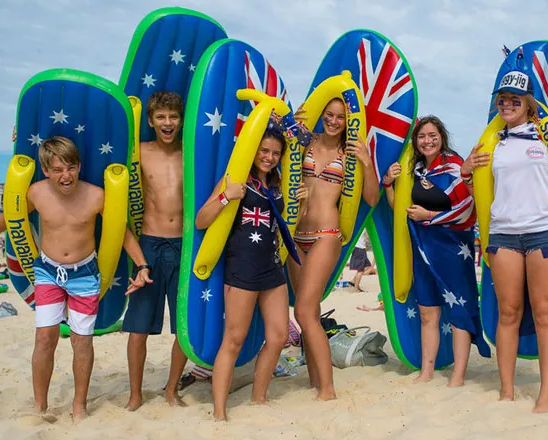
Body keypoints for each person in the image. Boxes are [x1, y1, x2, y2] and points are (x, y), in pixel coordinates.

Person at [0, 136, 150, 420]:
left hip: (84, 274)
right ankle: (39, 406)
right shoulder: (36, 193)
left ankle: (79, 405)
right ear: (46, 170)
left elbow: (121, 231)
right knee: (45, 337)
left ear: (79, 166)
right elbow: (11, 218)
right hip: (47, 272)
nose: (65, 175)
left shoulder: (96, 195)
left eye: (70, 167)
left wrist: (142, 265)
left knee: (81, 341)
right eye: (57, 169)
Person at [461, 66, 548, 413]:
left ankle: (546, 398)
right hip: (503, 233)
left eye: (515, 99)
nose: (507, 105)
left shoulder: (547, 138)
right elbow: (477, 195)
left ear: (529, 104)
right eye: (502, 99)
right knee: (508, 312)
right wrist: (466, 169)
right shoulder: (491, 142)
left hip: (544, 230)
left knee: (546, 315)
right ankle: (506, 391)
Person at [195, 125, 301, 420]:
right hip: (241, 267)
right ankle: (218, 412)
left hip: (271, 268)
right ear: (253, 150)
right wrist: (226, 196)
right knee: (234, 339)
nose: (269, 157)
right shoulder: (236, 179)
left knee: (279, 335)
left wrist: (300, 205)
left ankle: (259, 398)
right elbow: (201, 221)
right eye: (264, 151)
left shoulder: (277, 186)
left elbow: (278, 225)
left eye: (275, 153)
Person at [383, 116, 491, 387]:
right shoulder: (416, 172)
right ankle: (427, 371)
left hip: (452, 248)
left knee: (459, 310)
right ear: (416, 142)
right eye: (421, 136)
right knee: (427, 312)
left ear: (441, 137)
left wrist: (429, 215)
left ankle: (458, 376)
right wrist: (387, 184)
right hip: (423, 247)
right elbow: (401, 210)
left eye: (432, 135)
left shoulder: (454, 167)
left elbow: (469, 209)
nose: (427, 141)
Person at [289, 98, 380, 400]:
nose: (333, 121)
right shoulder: (304, 141)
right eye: (328, 115)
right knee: (308, 311)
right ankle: (315, 380)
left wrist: (367, 162)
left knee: (303, 310)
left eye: (340, 117)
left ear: (347, 121)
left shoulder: (350, 153)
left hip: (327, 234)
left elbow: (371, 198)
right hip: (295, 233)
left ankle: (328, 389)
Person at [122, 91, 187, 411]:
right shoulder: (138, 152)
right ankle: (135, 394)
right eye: (161, 117)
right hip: (148, 244)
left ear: (181, 120)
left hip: (183, 245)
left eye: (173, 116)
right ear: (150, 120)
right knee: (138, 327)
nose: (167, 122)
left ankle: (171, 388)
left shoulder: (191, 153)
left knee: (185, 326)